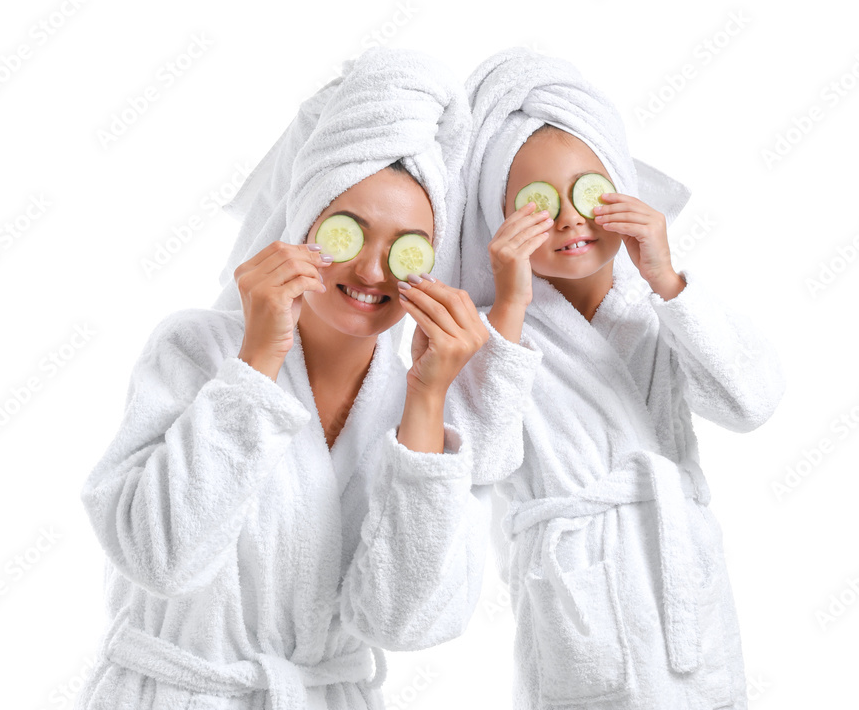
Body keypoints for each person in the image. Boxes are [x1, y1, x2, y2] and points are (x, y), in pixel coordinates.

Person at [76, 47, 540, 710]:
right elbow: (164, 560)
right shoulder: (195, 350)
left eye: (406, 245)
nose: (375, 271)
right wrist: (257, 364)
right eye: (350, 233)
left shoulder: (420, 398)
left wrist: (429, 398)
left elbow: (405, 623)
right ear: (302, 225)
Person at [458, 47, 785, 709]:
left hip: (686, 593)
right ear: (499, 219)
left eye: (588, 191)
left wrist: (669, 281)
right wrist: (512, 307)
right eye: (535, 204)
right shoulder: (493, 333)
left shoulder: (658, 306)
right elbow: (480, 463)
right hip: (578, 610)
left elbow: (750, 403)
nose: (571, 218)